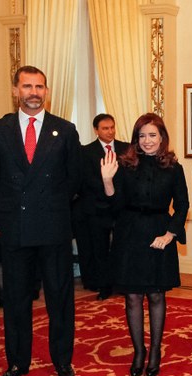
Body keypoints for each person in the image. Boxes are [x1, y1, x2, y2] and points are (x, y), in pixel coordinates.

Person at [0, 65, 81, 376]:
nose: (34, 92)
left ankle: (62, 361)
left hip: (53, 229)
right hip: (15, 229)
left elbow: (74, 180)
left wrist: (52, 205)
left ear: (46, 92)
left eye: (39, 87)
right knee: (16, 300)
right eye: (27, 86)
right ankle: (17, 362)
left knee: (60, 299)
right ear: (15, 91)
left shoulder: (65, 130)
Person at [100, 113, 189, 376]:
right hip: (129, 235)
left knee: (157, 295)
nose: (147, 141)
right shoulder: (125, 166)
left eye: (152, 135)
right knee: (133, 297)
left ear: (162, 137)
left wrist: (170, 234)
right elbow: (114, 208)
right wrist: (107, 180)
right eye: (142, 136)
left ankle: (156, 351)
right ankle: (139, 351)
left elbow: (183, 205)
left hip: (160, 235)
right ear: (135, 139)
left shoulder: (174, 167)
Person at [73, 114, 129, 300]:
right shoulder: (85, 151)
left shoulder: (126, 148)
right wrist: (106, 188)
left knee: (121, 247)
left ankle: (121, 282)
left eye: (112, 127)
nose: (110, 131)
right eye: (105, 128)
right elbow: (85, 180)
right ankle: (104, 286)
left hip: (121, 207)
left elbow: (129, 177)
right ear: (96, 130)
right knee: (100, 250)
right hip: (96, 209)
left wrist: (117, 193)